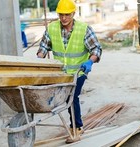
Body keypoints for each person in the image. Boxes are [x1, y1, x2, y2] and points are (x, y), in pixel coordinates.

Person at [37, 0, 102, 143]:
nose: (64, 18)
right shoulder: (52, 28)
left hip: (79, 71)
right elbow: (42, 49)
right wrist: (38, 62)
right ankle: (76, 124)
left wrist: (90, 61)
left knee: (71, 97)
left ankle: (77, 127)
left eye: (67, 14)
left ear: (73, 13)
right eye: (61, 14)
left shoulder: (84, 29)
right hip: (61, 74)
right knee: (63, 99)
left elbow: (96, 49)